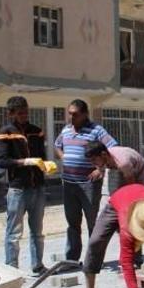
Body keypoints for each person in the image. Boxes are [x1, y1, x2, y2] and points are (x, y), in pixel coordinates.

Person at [54, 99, 117, 265]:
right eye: (70, 114)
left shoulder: (96, 130)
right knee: (73, 223)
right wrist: (63, 157)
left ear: (84, 114)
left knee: (93, 222)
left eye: (75, 114)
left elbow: (112, 147)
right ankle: (72, 259)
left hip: (88, 184)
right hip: (69, 184)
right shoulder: (66, 130)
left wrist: (100, 169)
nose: (71, 117)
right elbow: (57, 145)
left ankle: (94, 258)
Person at [0, 96, 49, 275]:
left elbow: (42, 156)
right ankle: (11, 269)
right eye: (20, 113)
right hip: (18, 189)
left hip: (37, 187)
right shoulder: (4, 134)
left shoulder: (36, 131)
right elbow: (2, 162)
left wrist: (46, 165)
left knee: (37, 231)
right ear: (11, 114)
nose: (24, 115)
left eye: (26, 112)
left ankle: (38, 265)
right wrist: (25, 162)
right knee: (14, 233)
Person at [82, 142, 144, 270]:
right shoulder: (104, 159)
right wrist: (99, 170)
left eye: (94, 160)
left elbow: (132, 189)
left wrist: (126, 210)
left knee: (130, 225)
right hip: (120, 183)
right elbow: (102, 167)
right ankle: (93, 267)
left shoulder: (123, 162)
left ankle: (135, 260)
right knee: (100, 234)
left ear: (103, 154)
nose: (93, 164)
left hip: (138, 182)